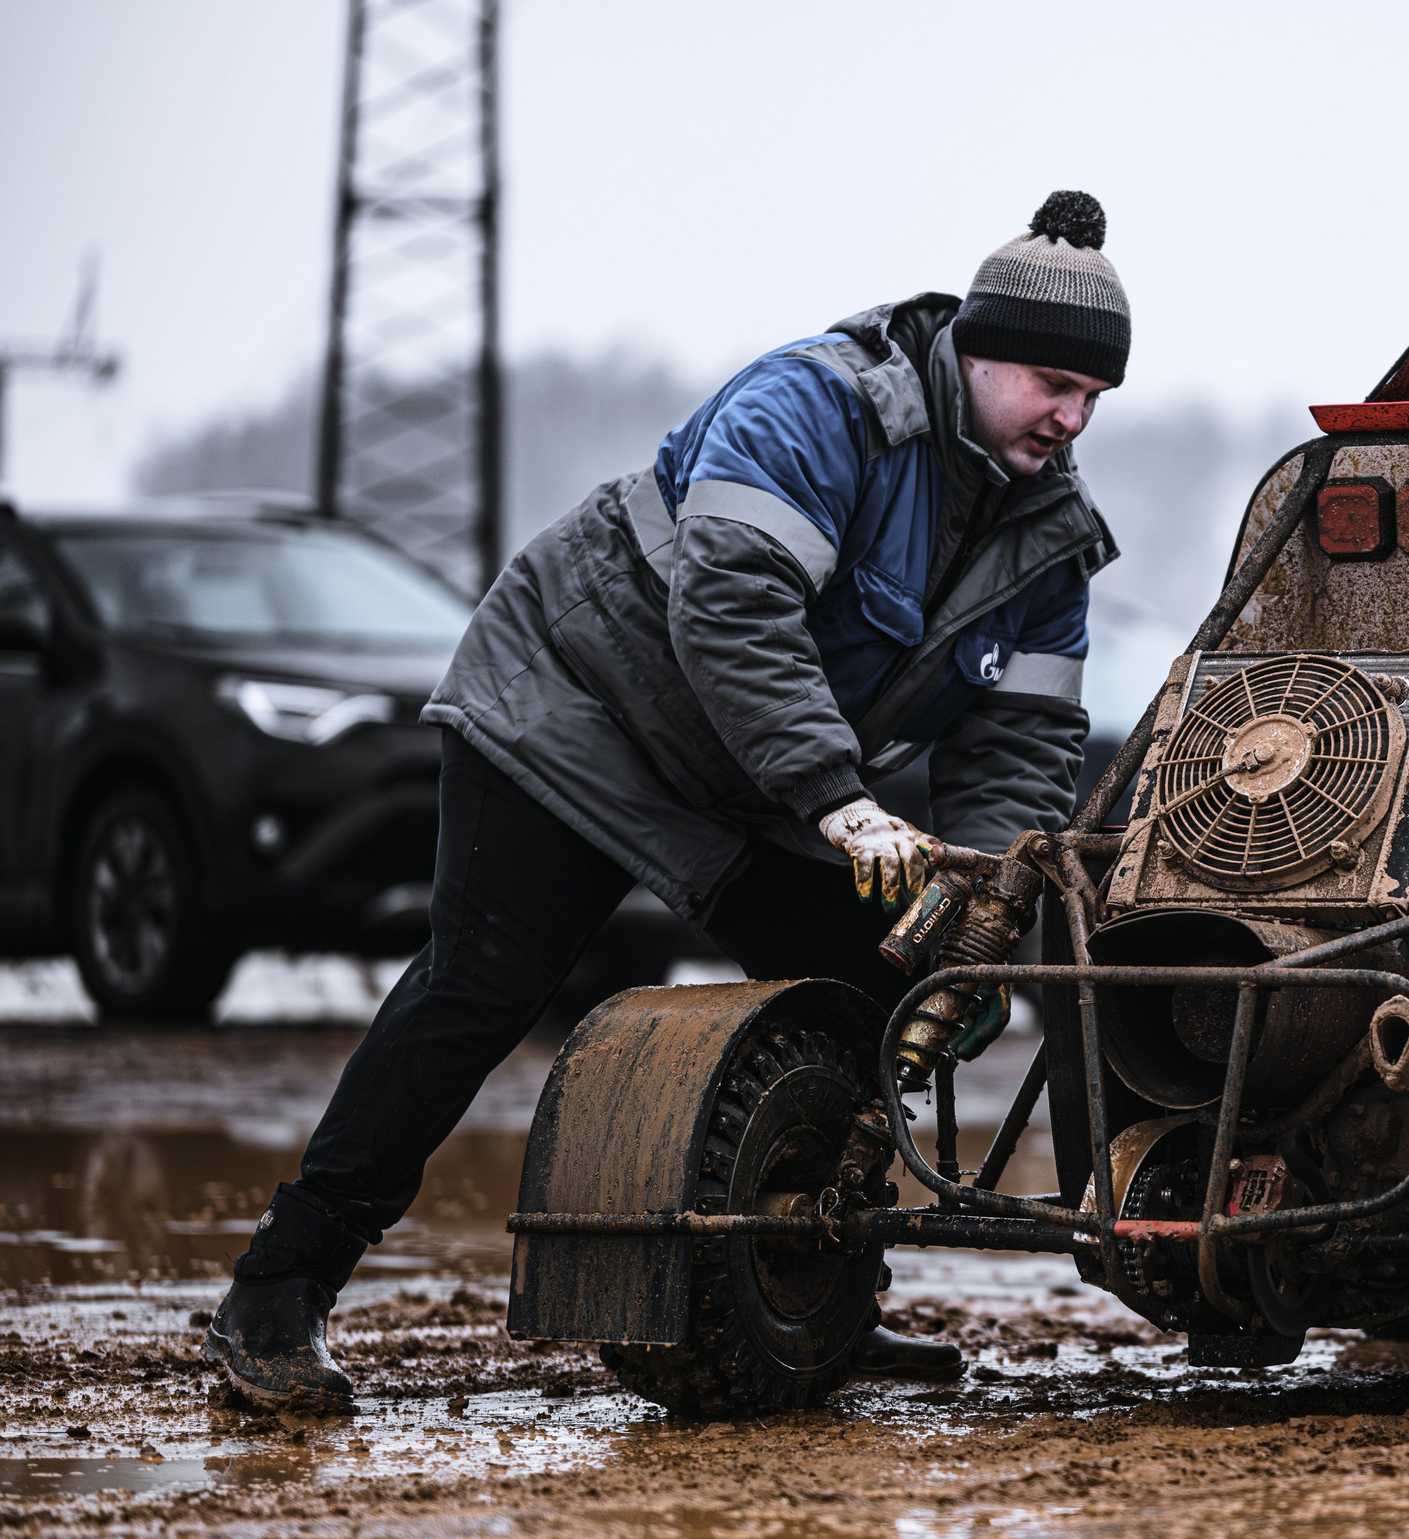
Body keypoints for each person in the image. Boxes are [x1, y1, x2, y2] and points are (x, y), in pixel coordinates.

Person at [204, 191, 1129, 1410]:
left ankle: (820, 1298)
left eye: (1092, 400)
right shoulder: (815, 407)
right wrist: (835, 800)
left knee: (881, 983)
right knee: (479, 990)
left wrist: (979, 914)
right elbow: (735, 612)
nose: (1070, 419)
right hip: (574, 709)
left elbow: (1022, 735)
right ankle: (278, 1295)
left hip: (742, 782)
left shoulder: (1051, 537)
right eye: (1051, 385)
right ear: (972, 349)